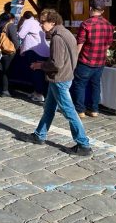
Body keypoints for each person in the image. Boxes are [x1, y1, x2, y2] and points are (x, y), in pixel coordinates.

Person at [23, 9, 92, 156]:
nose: (41, 25)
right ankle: (39, 135)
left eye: (43, 22)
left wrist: (40, 65)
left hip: (60, 79)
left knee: (69, 112)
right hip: (62, 77)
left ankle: (83, 144)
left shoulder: (57, 37)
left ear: (52, 22)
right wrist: (44, 63)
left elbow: (57, 64)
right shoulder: (65, 33)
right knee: (49, 109)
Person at [72, 0, 114, 118]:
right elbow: (109, 44)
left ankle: (80, 110)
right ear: (102, 11)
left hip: (86, 60)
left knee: (80, 85)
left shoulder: (86, 24)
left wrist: (74, 58)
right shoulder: (109, 25)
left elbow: (80, 43)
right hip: (100, 61)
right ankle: (94, 110)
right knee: (96, 85)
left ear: (90, 8)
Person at [18, 11, 50, 102]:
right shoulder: (36, 22)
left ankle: (39, 94)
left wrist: (20, 24)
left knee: (36, 72)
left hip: (34, 50)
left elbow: (20, 34)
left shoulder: (28, 22)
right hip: (43, 51)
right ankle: (38, 92)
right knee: (40, 73)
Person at [0, 13, 20, 97]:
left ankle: (3, 89)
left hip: (1, 50)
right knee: (8, 71)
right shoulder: (10, 26)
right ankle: (6, 90)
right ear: (10, 19)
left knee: (3, 71)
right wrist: (17, 48)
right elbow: (14, 39)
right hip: (9, 51)